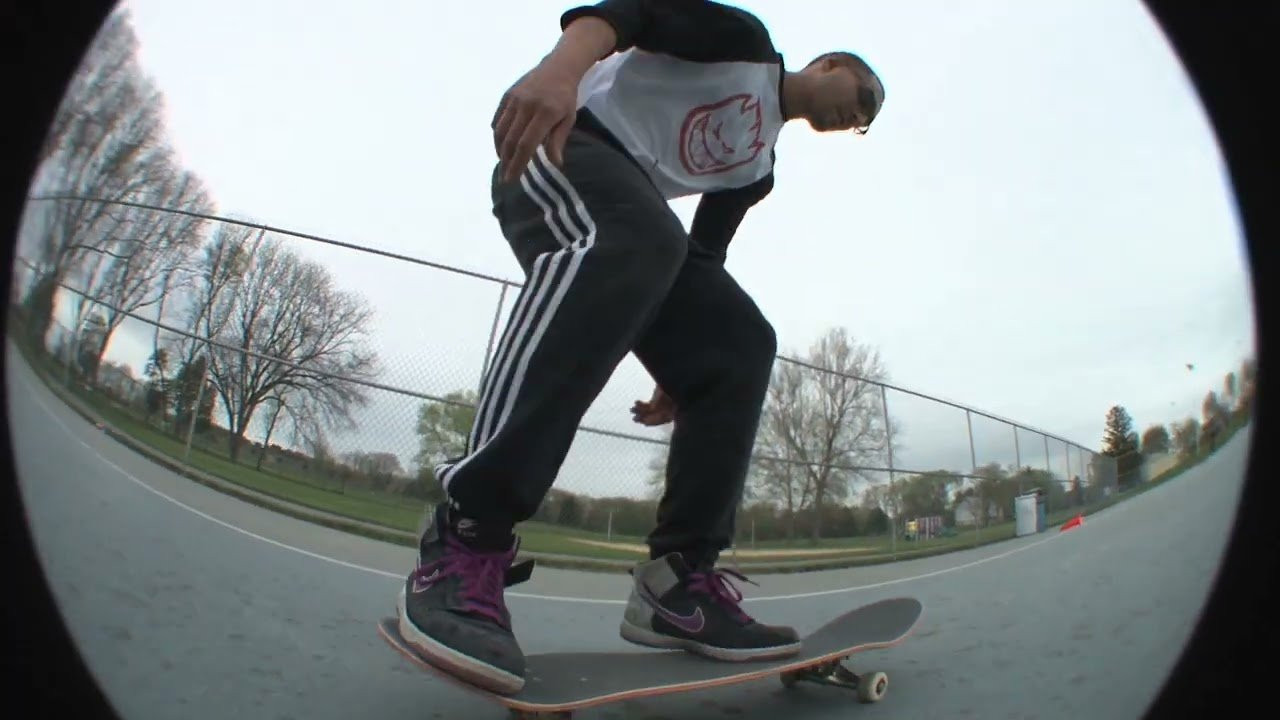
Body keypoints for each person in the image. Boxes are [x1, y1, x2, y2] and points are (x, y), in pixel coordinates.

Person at [396, 0, 885, 696]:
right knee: (641, 236)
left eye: (865, 121)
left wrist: (683, 362)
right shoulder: (742, 44)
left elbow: (703, 256)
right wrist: (558, 73)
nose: (857, 116)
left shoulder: (758, 169)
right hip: (562, 142)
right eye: (861, 96)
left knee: (741, 342)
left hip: (636, 219)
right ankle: (467, 531)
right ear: (830, 64)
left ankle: (677, 584)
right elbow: (626, 13)